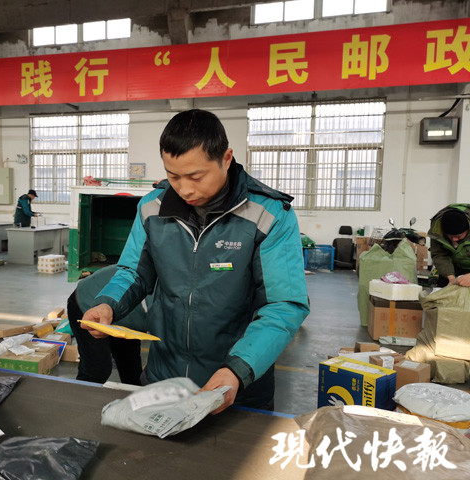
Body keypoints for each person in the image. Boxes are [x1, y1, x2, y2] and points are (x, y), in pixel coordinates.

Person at [80, 109, 309, 414]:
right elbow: (133, 272)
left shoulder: (268, 214)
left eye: (196, 177)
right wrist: (108, 304)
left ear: (226, 158)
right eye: (173, 176)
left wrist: (237, 370)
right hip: (164, 379)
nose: (185, 189)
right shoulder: (152, 208)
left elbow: (284, 305)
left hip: (236, 387)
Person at [68, 265, 151, 385]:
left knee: (131, 368)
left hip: (125, 313)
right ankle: (83, 395)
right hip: (89, 304)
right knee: (97, 368)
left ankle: (133, 396)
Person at [428, 204, 470, 287]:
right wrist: (450, 277)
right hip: (452, 267)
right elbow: (439, 255)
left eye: (458, 236)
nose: (454, 239)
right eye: (450, 236)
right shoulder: (437, 230)